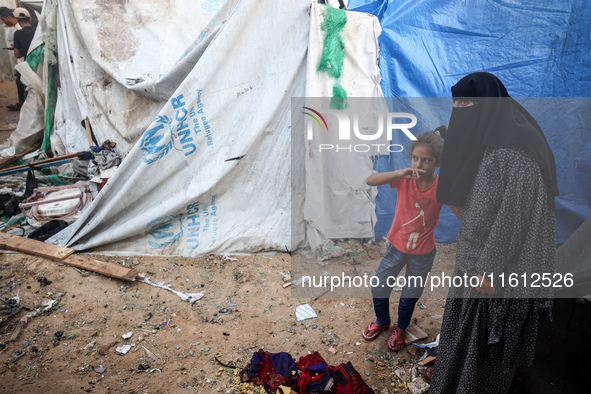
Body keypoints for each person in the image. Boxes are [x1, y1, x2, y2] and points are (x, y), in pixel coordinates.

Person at [427, 72, 559, 393]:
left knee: (484, 347)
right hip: (475, 260)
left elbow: (515, 218)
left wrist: (490, 270)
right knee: (463, 336)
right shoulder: (489, 141)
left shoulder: (517, 153)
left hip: (496, 274)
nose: (460, 108)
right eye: (456, 102)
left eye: (468, 102)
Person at [362, 126, 459, 351]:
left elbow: (460, 212)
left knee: (410, 294)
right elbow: (370, 180)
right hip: (397, 246)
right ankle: (382, 321)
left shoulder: (441, 187)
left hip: (423, 252)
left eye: (426, 160)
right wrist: (398, 173)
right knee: (379, 285)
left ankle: (401, 327)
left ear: (437, 163)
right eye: (415, 158)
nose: (418, 165)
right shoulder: (404, 179)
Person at [9, 7, 35, 111]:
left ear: (16, 20)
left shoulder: (17, 34)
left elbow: (17, 55)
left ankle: (23, 104)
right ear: (30, 19)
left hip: (28, 64)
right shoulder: (37, 30)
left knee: (23, 85)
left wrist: (16, 47)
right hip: (40, 63)